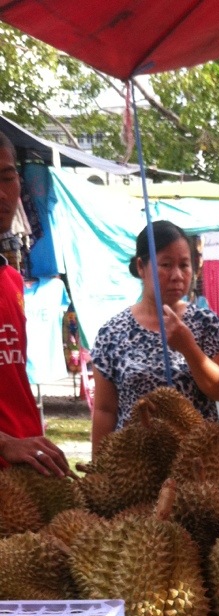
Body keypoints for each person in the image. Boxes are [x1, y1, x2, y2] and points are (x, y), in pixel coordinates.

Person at [90, 220, 219, 455]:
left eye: (185, 265)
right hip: (134, 464)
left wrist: (188, 347)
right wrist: (97, 470)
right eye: (166, 265)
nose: (177, 275)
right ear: (141, 266)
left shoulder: (206, 323)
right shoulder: (112, 333)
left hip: (197, 464)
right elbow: (105, 410)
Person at [0, 131, 69, 476]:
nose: (1, 193)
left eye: (7, 177)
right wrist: (4, 443)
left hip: (29, 469)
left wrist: (28, 437)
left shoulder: (12, 279)